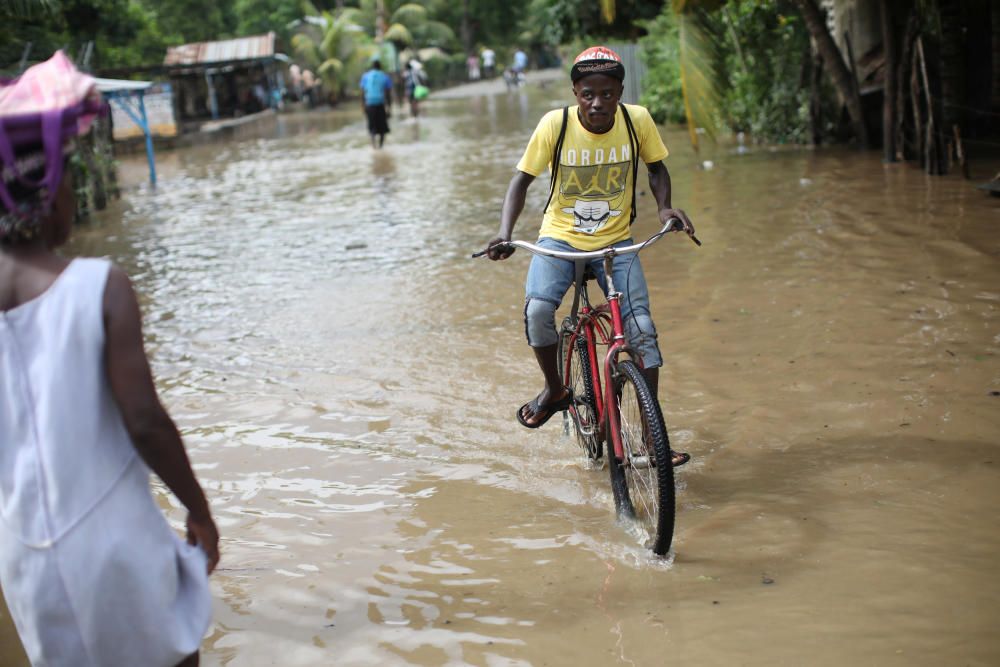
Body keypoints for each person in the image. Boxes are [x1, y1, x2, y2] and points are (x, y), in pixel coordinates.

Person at [0, 51, 219, 666]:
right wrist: (198, 509)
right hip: (113, 543)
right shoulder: (98, 285)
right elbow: (144, 420)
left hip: (24, 560)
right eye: (68, 174)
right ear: (45, 188)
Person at [484, 46, 695, 467]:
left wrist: (665, 208)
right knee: (539, 310)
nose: (597, 103)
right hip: (559, 241)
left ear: (620, 91)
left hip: (615, 244)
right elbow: (521, 181)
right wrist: (505, 234)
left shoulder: (638, 121)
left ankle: (653, 438)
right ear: (575, 93)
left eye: (607, 94)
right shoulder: (555, 125)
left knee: (642, 330)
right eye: (587, 94)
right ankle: (555, 390)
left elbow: (656, 168)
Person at [360, 59, 393, 148]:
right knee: (382, 129)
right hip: (380, 104)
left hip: (369, 104)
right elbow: (388, 94)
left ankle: (374, 146)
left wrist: (363, 106)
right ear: (380, 67)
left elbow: (362, 92)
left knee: (372, 127)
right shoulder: (385, 76)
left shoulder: (365, 76)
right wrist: (389, 108)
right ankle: (381, 146)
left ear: (372, 67)